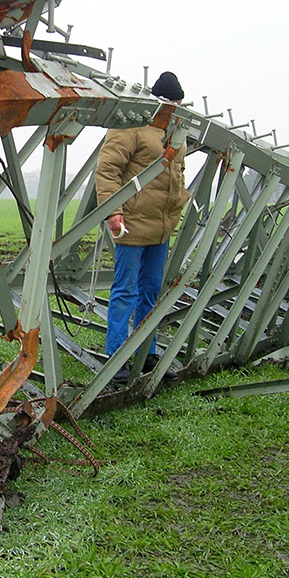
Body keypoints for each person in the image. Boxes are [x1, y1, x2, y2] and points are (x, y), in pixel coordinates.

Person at [93, 71, 190, 380]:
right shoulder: (130, 126)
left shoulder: (174, 133)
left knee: (150, 291)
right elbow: (108, 170)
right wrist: (113, 211)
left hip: (161, 225)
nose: (174, 108)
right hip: (132, 223)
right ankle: (117, 354)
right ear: (159, 100)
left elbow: (178, 176)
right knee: (125, 290)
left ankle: (146, 352)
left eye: (177, 103)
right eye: (171, 103)